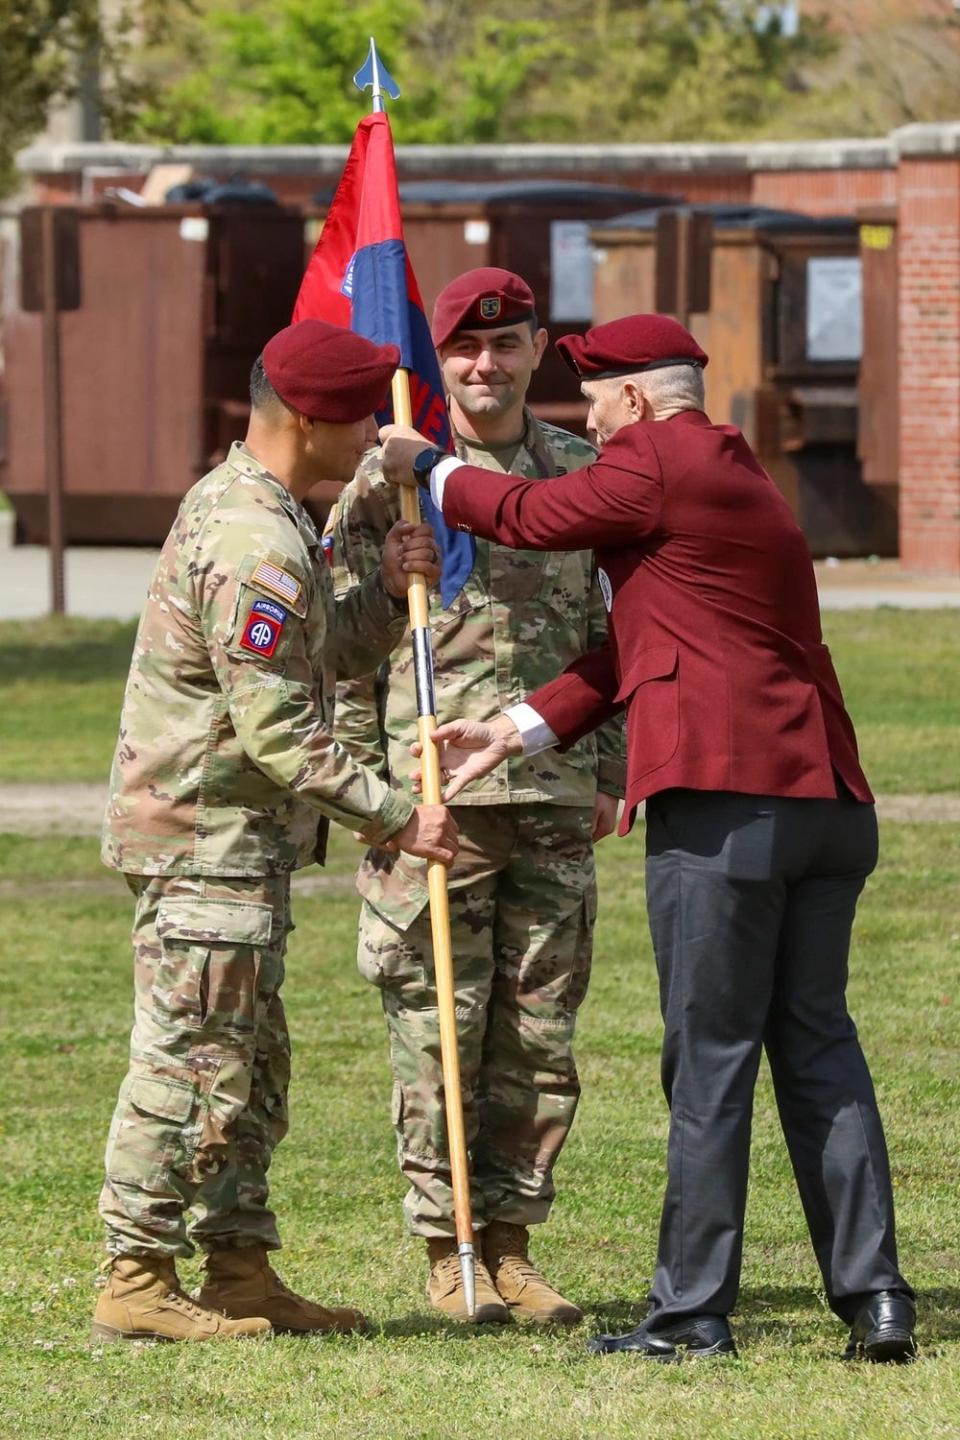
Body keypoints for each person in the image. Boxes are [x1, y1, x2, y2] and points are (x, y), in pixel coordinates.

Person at [378, 312, 917, 1363]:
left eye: (594, 399)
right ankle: (875, 1299)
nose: (590, 417)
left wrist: (427, 464)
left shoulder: (659, 457)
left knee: (709, 1058)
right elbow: (636, 651)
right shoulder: (733, 472)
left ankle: (691, 1315)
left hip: (727, 807)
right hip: (824, 803)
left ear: (630, 399)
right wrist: (513, 728)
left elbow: (529, 513)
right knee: (817, 1050)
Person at [93, 319, 459, 1344]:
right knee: (191, 1059)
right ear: (306, 419)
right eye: (358, 422)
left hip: (237, 846)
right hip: (205, 841)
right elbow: (282, 732)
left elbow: (317, 657)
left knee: (249, 1060)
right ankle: (135, 1276)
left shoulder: (262, 510)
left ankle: (239, 1269)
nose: (372, 440)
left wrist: (386, 593)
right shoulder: (254, 538)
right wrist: (399, 816)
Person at [327, 268, 625, 1324]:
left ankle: (511, 1246)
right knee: (436, 1028)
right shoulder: (387, 480)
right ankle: (446, 1248)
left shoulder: (587, 473)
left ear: (538, 347)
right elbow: (337, 649)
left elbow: (617, 638)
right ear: (436, 357)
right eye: (464, 348)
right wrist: (374, 799)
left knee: (538, 1036)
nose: (485, 366)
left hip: (551, 790)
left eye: (506, 346)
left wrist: (616, 771)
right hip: (431, 801)